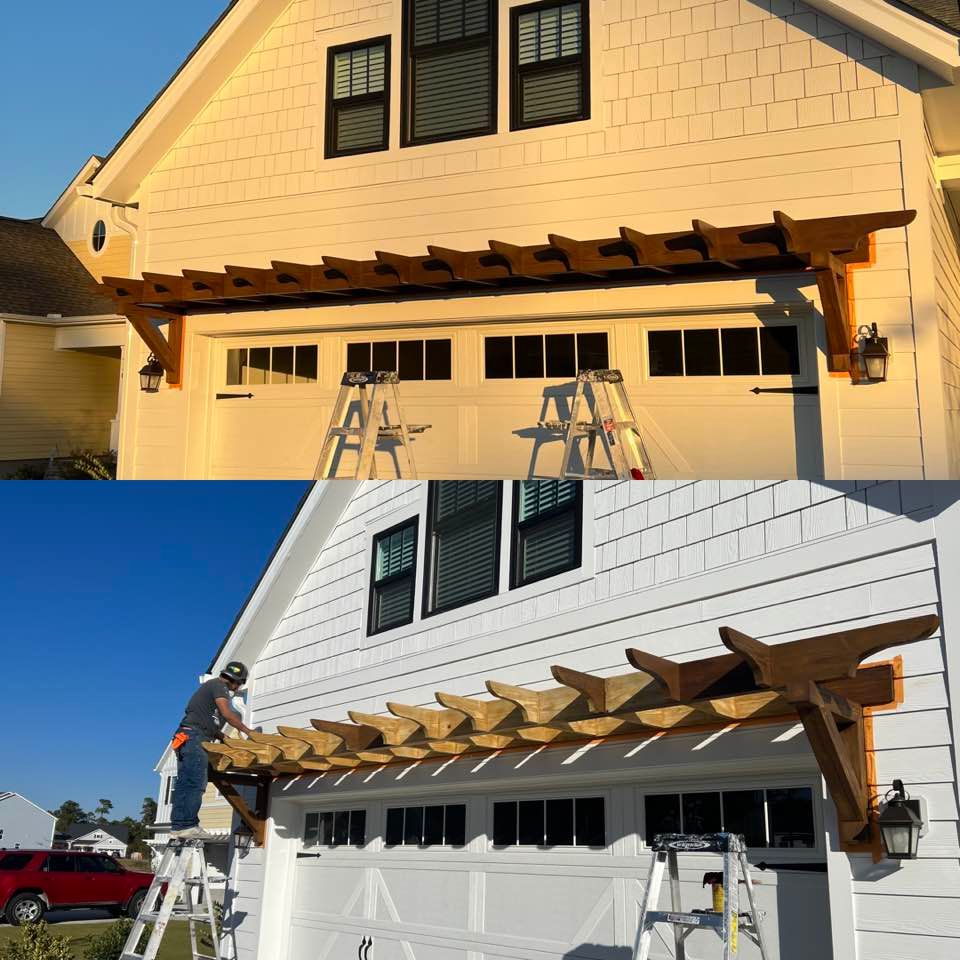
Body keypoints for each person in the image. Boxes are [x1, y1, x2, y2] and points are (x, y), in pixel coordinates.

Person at [169, 661, 256, 840]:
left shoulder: (211, 692)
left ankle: (179, 826)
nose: (236, 688)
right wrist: (248, 732)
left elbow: (210, 724)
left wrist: (225, 739)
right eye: (238, 684)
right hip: (194, 737)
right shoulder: (219, 685)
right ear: (235, 681)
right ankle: (187, 825)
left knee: (186, 781)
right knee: (196, 782)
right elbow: (227, 714)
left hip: (188, 736)